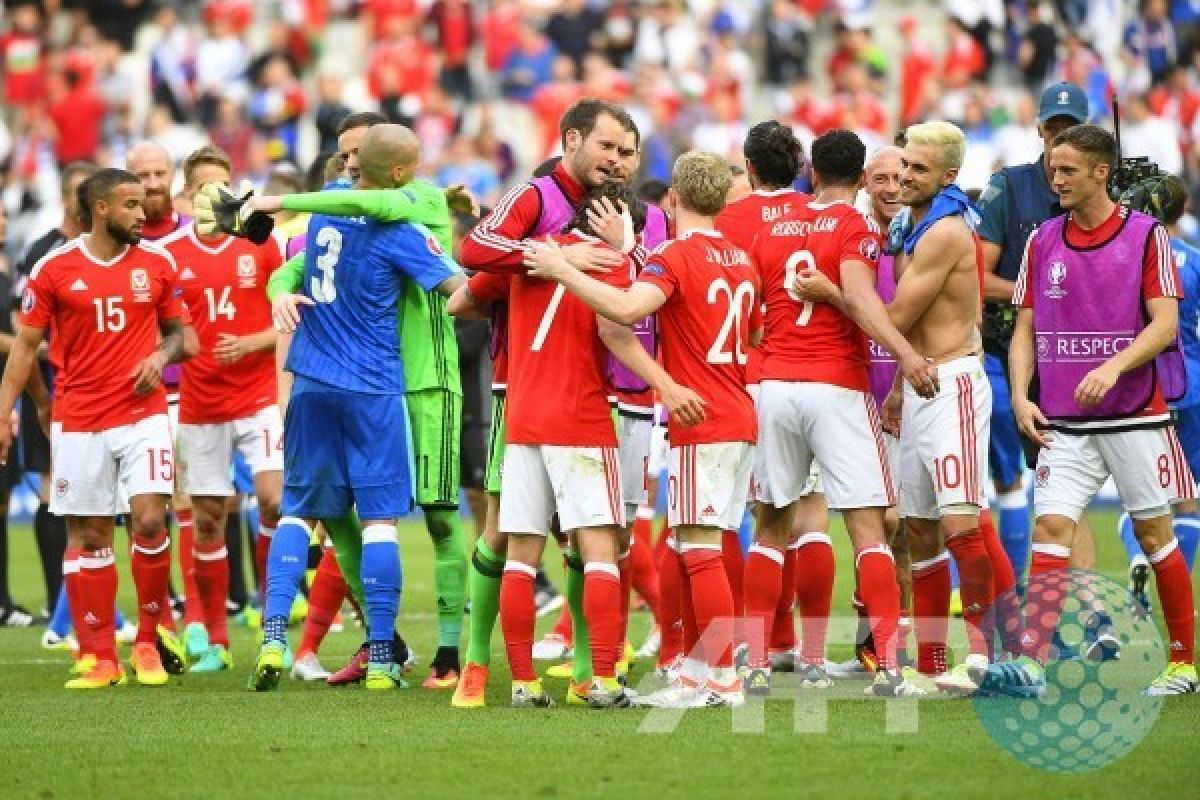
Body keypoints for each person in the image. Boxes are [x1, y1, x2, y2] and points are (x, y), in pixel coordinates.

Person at [525, 149, 756, 709]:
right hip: (737, 410)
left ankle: (722, 678)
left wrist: (562, 269)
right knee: (702, 541)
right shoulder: (740, 258)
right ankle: (701, 672)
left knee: (698, 548)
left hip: (701, 416)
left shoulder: (675, 255)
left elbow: (628, 311)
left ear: (673, 199)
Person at [245, 111, 467, 687]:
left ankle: (273, 640)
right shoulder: (402, 230)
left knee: (298, 511)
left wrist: (278, 287)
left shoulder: (321, 219)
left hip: (311, 382)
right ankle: (381, 658)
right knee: (379, 523)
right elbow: (457, 289)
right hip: (373, 386)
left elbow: (294, 262)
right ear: (398, 173)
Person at [450, 180, 670, 708]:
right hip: (581, 418)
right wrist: (624, 251)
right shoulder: (608, 262)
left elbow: (460, 301)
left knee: (521, 557)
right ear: (612, 219)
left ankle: (522, 683)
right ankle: (599, 679)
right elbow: (624, 317)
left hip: (521, 419)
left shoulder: (528, 258)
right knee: (599, 552)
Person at [1009, 125, 1198, 696]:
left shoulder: (1146, 237)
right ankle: (1031, 664)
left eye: (1067, 169)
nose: (1055, 178)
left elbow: (1165, 325)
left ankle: (1185, 666)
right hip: (1063, 419)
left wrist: (1113, 366)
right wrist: (1022, 395)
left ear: (1100, 172)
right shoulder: (1042, 239)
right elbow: (1025, 327)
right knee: (1051, 528)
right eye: (1052, 167)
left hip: (1136, 413)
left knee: (1154, 535)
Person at [744, 129, 932, 697]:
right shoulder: (856, 227)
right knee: (868, 529)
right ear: (860, 177)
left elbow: (753, 309)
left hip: (775, 384)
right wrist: (904, 352)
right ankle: (891, 666)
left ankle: (755, 663)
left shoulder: (774, 226)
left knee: (771, 525)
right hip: (836, 387)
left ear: (814, 173)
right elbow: (857, 296)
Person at [0, 168, 190, 689]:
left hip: (144, 414)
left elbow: (180, 336)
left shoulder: (158, 263)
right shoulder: (54, 268)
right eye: (131, 205)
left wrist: (159, 354)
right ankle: (102, 655)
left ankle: (148, 641)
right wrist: (5, 410)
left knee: (150, 519)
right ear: (102, 209)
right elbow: (24, 346)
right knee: (92, 535)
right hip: (80, 418)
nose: (142, 212)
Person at [883, 121, 1007, 694]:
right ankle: (931, 666)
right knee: (921, 530)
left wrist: (839, 297)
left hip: (952, 383)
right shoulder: (917, 220)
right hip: (921, 385)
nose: (905, 176)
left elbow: (899, 315)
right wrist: (893, 389)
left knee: (961, 523)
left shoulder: (946, 232)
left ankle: (985, 658)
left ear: (950, 176)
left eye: (918, 170)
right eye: (905, 165)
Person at [714, 120, 832, 677]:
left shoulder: (728, 221)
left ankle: (756, 652)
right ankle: (809, 655)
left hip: (751, 377)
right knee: (811, 518)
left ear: (750, 168)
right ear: (801, 169)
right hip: (816, 374)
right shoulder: (817, 215)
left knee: (761, 516)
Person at [161, 145, 284, 673]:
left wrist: (253, 343)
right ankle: (215, 639)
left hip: (257, 397)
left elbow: (288, 319)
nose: (215, 196)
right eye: (203, 188)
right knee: (207, 520)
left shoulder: (263, 246)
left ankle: (269, 621)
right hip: (201, 404)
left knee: (274, 502)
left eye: (223, 187)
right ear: (186, 197)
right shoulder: (168, 255)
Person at [975, 82, 1089, 583]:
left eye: (1071, 130)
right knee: (1029, 485)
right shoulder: (1009, 186)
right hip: (1014, 355)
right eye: (1053, 128)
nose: (1060, 138)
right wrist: (1042, 296)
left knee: (1069, 494)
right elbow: (976, 276)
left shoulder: (1110, 194)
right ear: (1040, 130)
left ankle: (1088, 615)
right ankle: (1034, 603)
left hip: (1085, 361)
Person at [14, 163, 98, 638]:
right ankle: (60, 610)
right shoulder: (44, 254)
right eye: (73, 193)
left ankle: (81, 614)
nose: (80, 203)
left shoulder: (119, 251)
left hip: (102, 396)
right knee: (60, 499)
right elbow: (22, 332)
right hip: (52, 393)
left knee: (107, 512)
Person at [1115, 174, 1200, 601]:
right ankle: (1176, 590)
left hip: (1138, 386)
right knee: (1188, 495)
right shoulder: (1194, 260)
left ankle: (1136, 553)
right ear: (1182, 212)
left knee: (1138, 492)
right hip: (1190, 385)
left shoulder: (1128, 257)